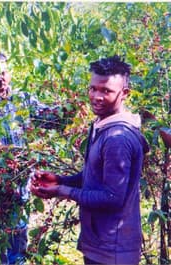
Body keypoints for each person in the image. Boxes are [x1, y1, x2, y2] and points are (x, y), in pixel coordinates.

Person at [30, 55, 150, 265]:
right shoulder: (102, 125)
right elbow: (94, 177)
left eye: (107, 91)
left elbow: (112, 197)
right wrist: (60, 180)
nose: (97, 96)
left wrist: (61, 191)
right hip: (100, 244)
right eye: (93, 88)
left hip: (112, 251)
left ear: (125, 94)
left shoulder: (117, 138)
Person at [0, 50, 61, 264]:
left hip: (21, 185)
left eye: (3, 72)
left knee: (19, 241)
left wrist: (68, 108)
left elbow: (46, 117)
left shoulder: (22, 98)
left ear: (11, 73)